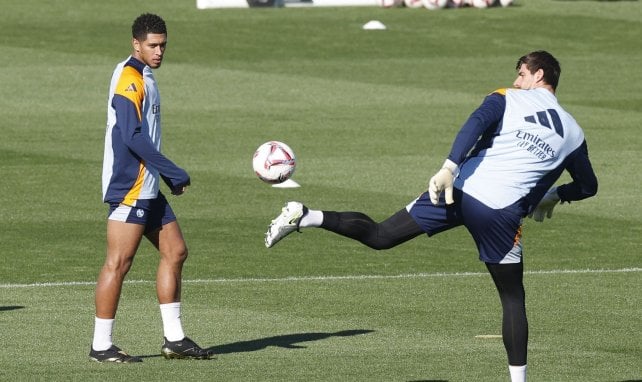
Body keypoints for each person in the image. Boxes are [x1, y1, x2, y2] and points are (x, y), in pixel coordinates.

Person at [264, 51, 597, 382]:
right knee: (512, 297)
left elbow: (475, 123)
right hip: (499, 213)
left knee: (382, 236)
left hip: (457, 190)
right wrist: (555, 195)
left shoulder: (506, 98)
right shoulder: (574, 133)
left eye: (521, 73)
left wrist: (448, 167)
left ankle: (307, 216)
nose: (515, 80)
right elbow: (588, 186)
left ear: (539, 75)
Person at [91, 13, 213, 363]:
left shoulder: (145, 75)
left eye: (163, 46)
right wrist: (172, 171)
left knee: (175, 252)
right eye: (153, 46)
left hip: (148, 186)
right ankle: (101, 345)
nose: (159, 52)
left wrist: (161, 177)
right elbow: (131, 137)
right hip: (130, 188)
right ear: (136, 44)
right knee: (119, 262)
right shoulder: (129, 79)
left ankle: (174, 339)